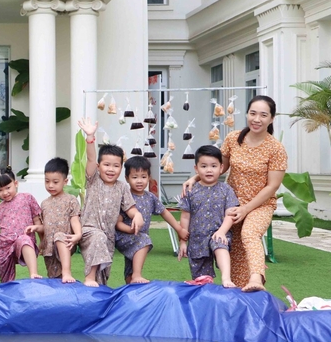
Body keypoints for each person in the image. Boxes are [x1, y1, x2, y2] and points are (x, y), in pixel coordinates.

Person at [182, 96, 287, 292]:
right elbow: (217, 167)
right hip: (231, 203)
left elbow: (272, 186)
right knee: (236, 257)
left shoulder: (276, 149)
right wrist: (194, 179)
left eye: (263, 115)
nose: (257, 119)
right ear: (247, 114)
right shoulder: (233, 139)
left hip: (260, 205)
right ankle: (238, 297)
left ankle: (256, 278)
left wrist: (246, 208)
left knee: (250, 233)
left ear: (271, 119)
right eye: (253, 113)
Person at [77, 118, 143, 287]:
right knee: (97, 241)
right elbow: (91, 159)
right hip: (89, 231)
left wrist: (137, 215)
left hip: (108, 236)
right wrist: (90, 136)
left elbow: (130, 208)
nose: (110, 169)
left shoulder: (122, 187)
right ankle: (89, 278)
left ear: (121, 168)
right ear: (99, 166)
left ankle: (98, 289)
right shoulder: (93, 180)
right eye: (106, 165)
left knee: (103, 274)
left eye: (116, 166)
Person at [115, 156, 188, 285]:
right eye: (134, 177)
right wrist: (131, 230)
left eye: (143, 177)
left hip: (137, 238)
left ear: (149, 178)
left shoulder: (150, 197)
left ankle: (131, 285)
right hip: (125, 236)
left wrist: (179, 229)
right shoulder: (126, 197)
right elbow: (118, 223)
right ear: (127, 178)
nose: (139, 181)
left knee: (130, 266)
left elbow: (165, 213)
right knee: (144, 240)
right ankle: (137, 275)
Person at [178, 145, 239, 287]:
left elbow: (230, 213)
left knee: (220, 245)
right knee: (202, 281)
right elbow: (185, 217)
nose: (209, 170)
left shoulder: (226, 189)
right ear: (196, 169)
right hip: (197, 238)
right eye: (204, 166)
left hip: (219, 232)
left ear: (221, 167)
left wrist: (222, 232)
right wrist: (182, 241)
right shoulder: (190, 190)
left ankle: (226, 278)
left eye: (213, 166)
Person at [0, 166, 43, 283]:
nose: (5, 193)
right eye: (0, 190)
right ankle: (6, 288)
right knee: (5, 281)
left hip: (23, 241)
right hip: (4, 246)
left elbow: (38, 222)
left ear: (15, 183)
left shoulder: (27, 198)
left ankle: (33, 273)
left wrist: (43, 241)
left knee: (24, 240)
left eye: (8, 188)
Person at [25, 157, 82, 283]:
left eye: (55, 182)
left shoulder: (71, 200)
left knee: (59, 236)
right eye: (47, 181)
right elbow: (46, 226)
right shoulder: (45, 203)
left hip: (65, 242)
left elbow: (74, 219)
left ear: (65, 181)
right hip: (49, 246)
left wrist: (78, 234)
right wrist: (36, 228)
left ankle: (67, 272)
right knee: (54, 277)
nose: (50, 185)